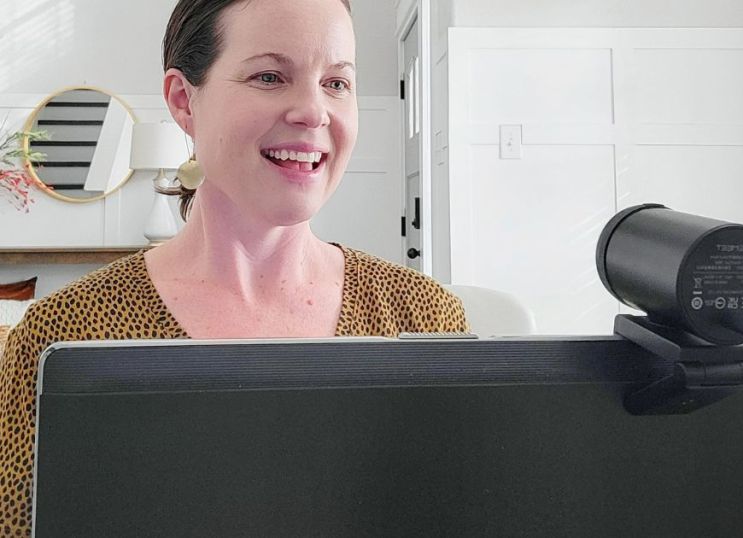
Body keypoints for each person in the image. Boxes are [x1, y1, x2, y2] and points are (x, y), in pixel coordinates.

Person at [0, 0, 466, 532]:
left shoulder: (426, 318)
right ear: (183, 100)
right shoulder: (64, 335)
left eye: (337, 83)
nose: (314, 112)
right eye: (270, 76)